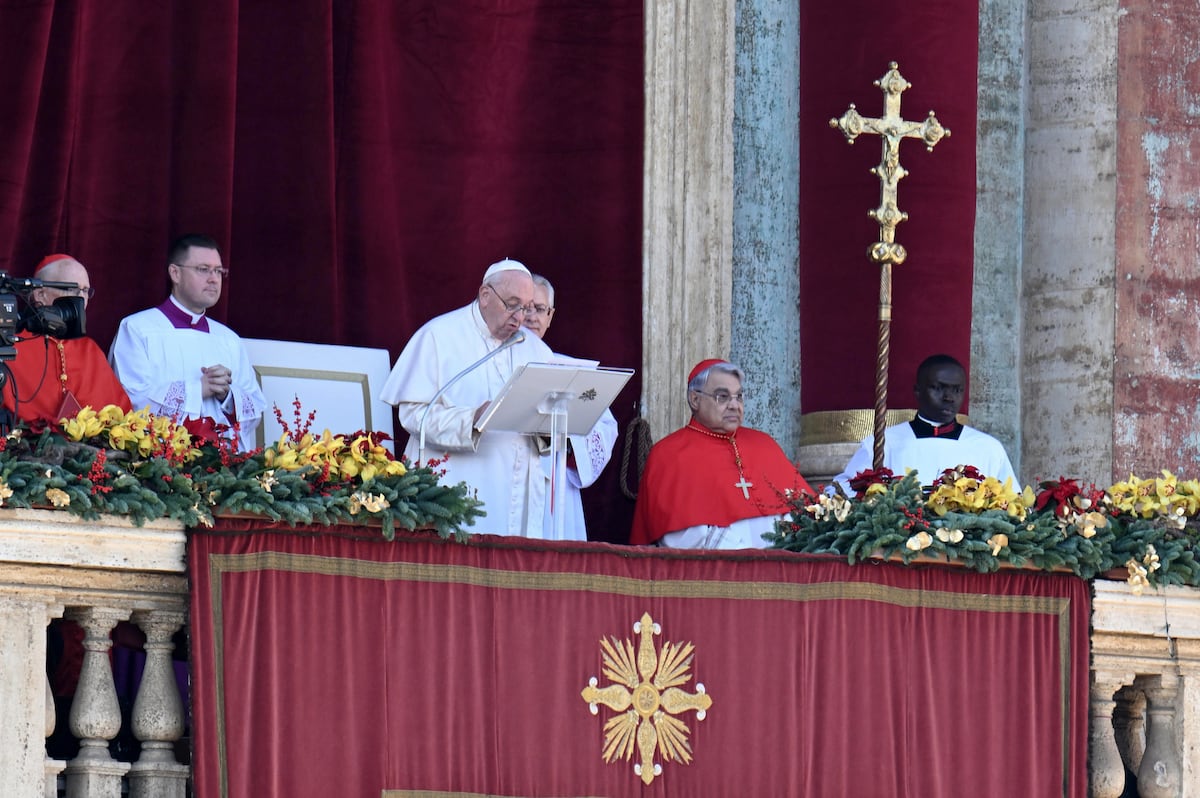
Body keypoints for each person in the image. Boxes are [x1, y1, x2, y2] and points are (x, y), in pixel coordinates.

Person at [380, 258, 557, 537]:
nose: (520, 317)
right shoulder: (439, 336)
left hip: (515, 495)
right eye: (512, 304)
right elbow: (413, 414)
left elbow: (548, 422)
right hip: (456, 488)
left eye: (526, 307)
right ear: (485, 295)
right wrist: (471, 420)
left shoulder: (536, 350)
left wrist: (550, 425)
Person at [630, 359, 813, 548]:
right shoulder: (668, 454)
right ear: (695, 399)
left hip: (781, 566)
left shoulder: (765, 444)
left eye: (739, 396)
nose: (734, 405)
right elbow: (680, 535)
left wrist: (787, 545)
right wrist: (747, 557)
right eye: (722, 397)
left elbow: (803, 512)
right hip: (717, 571)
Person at [109, 234, 266, 451]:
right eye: (203, 269)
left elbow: (255, 409)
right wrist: (197, 389)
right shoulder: (138, 329)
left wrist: (227, 395)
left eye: (218, 271)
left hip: (223, 468)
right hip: (159, 467)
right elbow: (130, 400)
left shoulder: (228, 339)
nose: (214, 279)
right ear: (175, 273)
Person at [832, 353, 1018, 493]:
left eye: (957, 390)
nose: (949, 398)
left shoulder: (988, 448)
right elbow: (841, 492)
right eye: (938, 388)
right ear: (918, 391)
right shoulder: (884, 443)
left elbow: (1014, 504)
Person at [524, 273, 618, 541]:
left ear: (550, 316)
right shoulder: (492, 366)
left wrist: (569, 443)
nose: (532, 316)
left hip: (556, 485)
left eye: (540, 309)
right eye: (526, 308)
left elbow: (606, 427)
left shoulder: (571, 370)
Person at [0, 254, 131, 425]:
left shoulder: (90, 350)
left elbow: (121, 418)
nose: (81, 299)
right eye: (71, 289)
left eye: (85, 291)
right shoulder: (11, 345)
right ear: (40, 294)